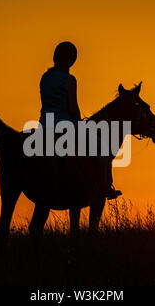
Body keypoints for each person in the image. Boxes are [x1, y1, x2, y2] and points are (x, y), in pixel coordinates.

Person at [38, 41, 121, 199]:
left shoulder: (45, 77)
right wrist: (79, 122)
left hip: (44, 126)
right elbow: (73, 109)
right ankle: (105, 186)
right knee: (103, 148)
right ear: (71, 60)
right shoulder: (69, 79)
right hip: (65, 127)